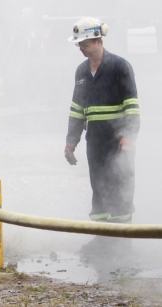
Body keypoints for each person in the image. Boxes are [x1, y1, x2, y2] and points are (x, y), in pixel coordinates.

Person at [64, 17, 139, 253]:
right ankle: (103, 237)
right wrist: (71, 140)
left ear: (98, 40)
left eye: (84, 43)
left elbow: (132, 107)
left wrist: (129, 137)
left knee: (121, 185)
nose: (80, 48)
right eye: (78, 44)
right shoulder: (81, 72)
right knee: (99, 187)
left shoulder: (120, 66)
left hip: (118, 142)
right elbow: (77, 108)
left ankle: (123, 239)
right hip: (94, 141)